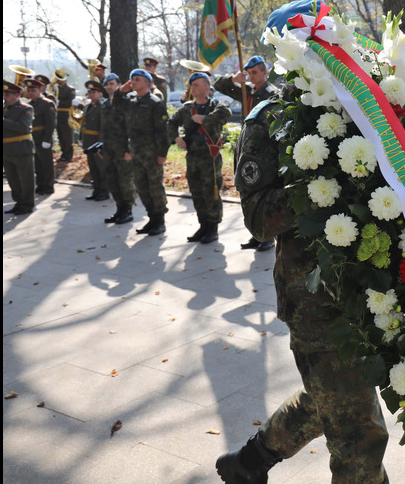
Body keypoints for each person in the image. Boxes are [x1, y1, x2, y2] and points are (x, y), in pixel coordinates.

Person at [216, 82, 389, 484]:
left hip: (372, 287)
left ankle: (249, 462)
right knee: (358, 431)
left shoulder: (358, 105)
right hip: (317, 299)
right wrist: (319, 184)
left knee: (331, 396)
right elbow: (258, 221)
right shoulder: (267, 120)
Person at [215, 55, 281, 251]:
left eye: (254, 72)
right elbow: (219, 85)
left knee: (262, 189)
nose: (251, 77)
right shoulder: (247, 92)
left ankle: (267, 235)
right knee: (248, 189)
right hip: (246, 146)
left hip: (264, 149)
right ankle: (256, 233)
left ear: (264, 72)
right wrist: (235, 79)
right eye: (249, 73)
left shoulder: (272, 93)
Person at [167, 72, 231, 244]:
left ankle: (213, 228)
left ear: (206, 88)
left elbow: (225, 114)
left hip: (210, 157)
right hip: (193, 156)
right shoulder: (187, 108)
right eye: (191, 85)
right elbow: (170, 122)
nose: (192, 88)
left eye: (196, 85)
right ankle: (203, 225)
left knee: (212, 191)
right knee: (196, 191)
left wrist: (204, 119)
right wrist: (176, 138)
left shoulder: (215, 105)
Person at [114, 69, 170, 236]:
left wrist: (162, 153)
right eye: (132, 80)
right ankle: (151, 218)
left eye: (138, 79)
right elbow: (116, 103)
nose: (134, 82)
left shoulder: (155, 103)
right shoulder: (130, 100)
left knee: (154, 187)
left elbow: (163, 130)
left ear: (147, 83)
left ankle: (159, 221)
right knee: (141, 186)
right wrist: (121, 90)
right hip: (136, 152)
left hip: (151, 153)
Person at [99, 74, 136, 225]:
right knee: (113, 181)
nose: (109, 86)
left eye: (112, 83)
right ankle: (119, 209)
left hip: (122, 149)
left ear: (119, 85)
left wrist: (130, 150)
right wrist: (101, 146)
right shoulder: (105, 104)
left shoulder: (127, 103)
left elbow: (132, 128)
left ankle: (127, 210)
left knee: (124, 181)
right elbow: (103, 128)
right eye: (106, 84)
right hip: (109, 149)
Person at [3, 80, 36, 215]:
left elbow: (23, 127)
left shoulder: (26, 108)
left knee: (26, 178)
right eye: (4, 94)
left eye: (7, 94)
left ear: (16, 95)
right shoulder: (4, 109)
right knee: (12, 179)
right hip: (7, 150)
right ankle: (18, 202)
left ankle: (28, 204)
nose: (4, 97)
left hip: (22, 149)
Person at [24, 78, 57, 195]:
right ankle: (41, 184)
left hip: (43, 137)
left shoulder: (47, 104)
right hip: (33, 137)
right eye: (29, 90)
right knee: (37, 163)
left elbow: (51, 123)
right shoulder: (28, 105)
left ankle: (49, 185)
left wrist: (47, 139)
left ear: (40, 90)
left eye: (33, 90)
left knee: (46, 163)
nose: (30, 93)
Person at [81, 80, 109, 201]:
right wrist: (81, 139)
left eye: (94, 92)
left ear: (100, 93)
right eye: (89, 92)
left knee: (101, 167)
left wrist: (101, 143)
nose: (91, 94)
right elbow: (84, 124)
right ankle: (96, 189)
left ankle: (104, 191)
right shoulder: (88, 107)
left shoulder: (102, 107)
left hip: (97, 141)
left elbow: (104, 127)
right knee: (93, 167)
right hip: (88, 141)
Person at [53, 70, 77, 162]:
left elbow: (71, 102)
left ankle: (68, 154)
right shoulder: (56, 89)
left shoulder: (70, 89)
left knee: (67, 135)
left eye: (61, 79)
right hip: (58, 114)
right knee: (60, 135)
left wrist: (60, 103)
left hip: (66, 114)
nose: (59, 80)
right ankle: (63, 152)